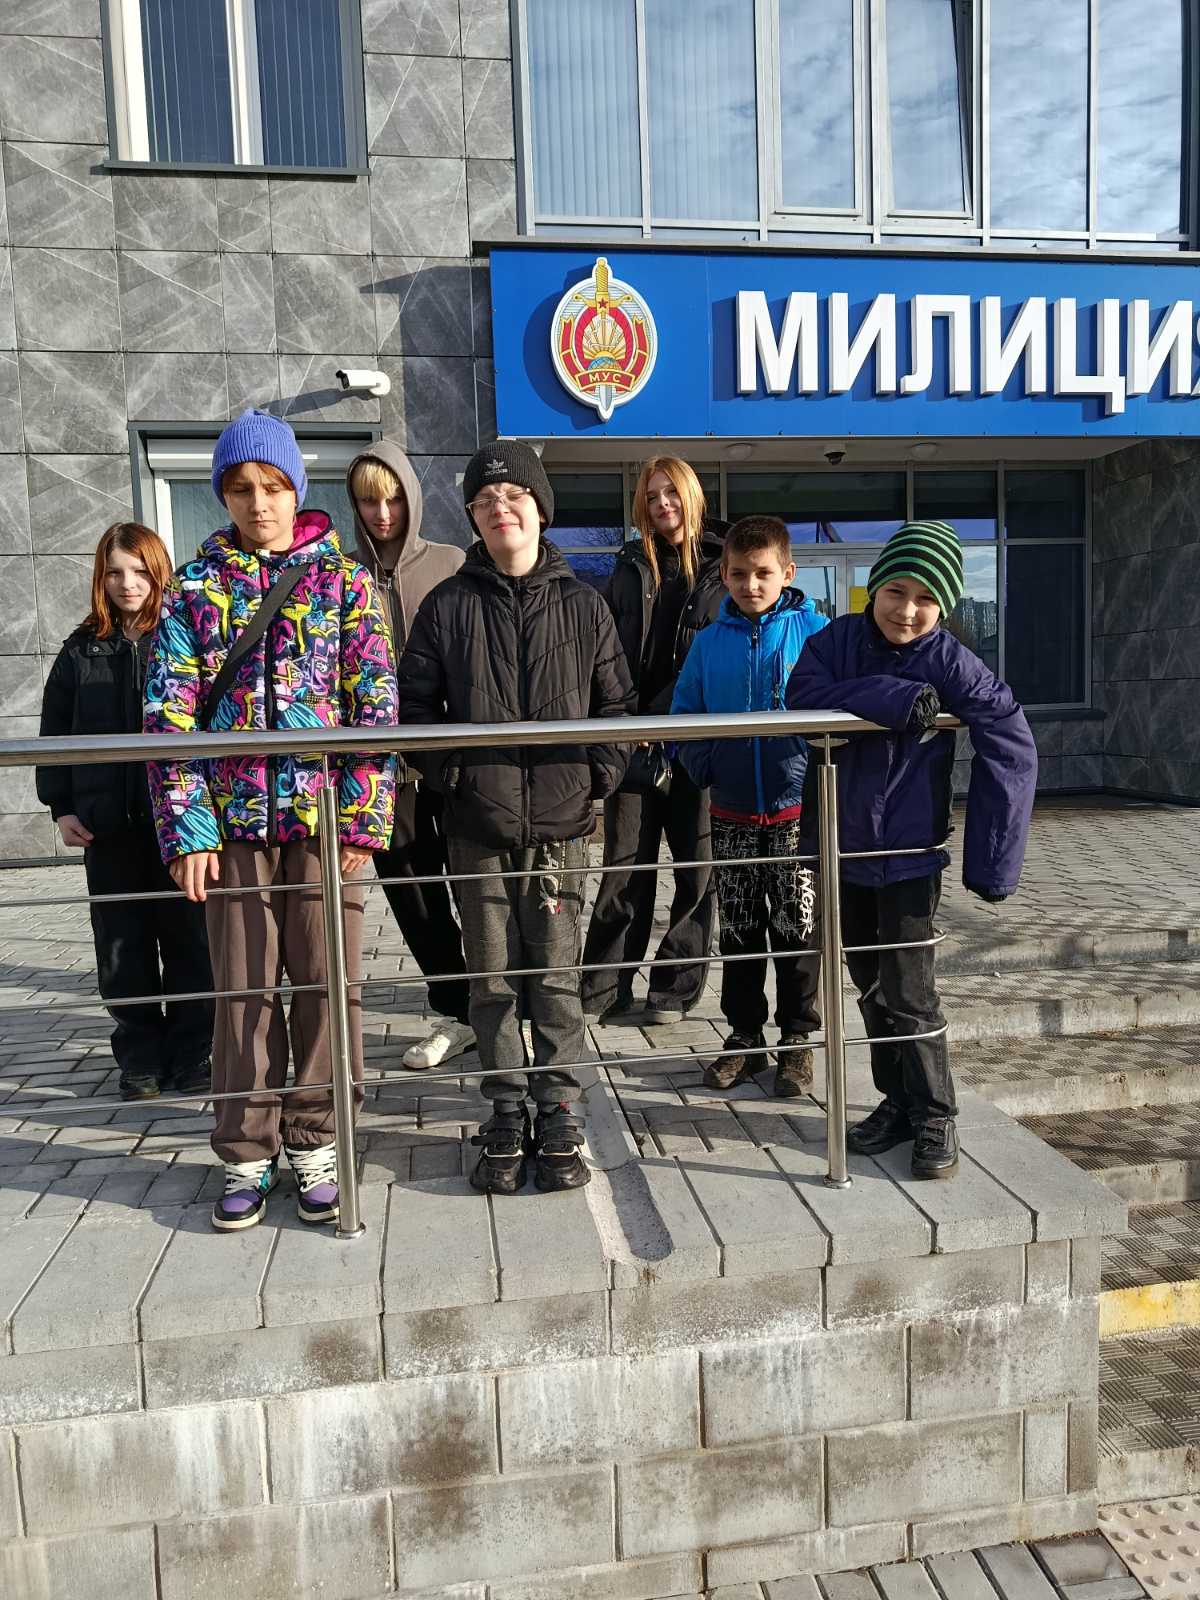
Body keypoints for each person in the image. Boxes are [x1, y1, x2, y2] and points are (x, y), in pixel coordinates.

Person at [144, 410, 397, 1231]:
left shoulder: (345, 582)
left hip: (322, 822)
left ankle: (318, 1138)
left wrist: (361, 818)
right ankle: (248, 1149)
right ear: (223, 495)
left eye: (274, 486)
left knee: (327, 986)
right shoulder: (192, 588)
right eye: (242, 487)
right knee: (244, 993)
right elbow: (168, 716)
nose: (259, 503)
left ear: (297, 490)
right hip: (233, 827)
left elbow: (375, 706)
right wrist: (189, 827)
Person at [396, 441, 632, 1196]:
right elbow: (414, 709)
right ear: (472, 516)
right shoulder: (447, 605)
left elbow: (618, 709)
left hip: (562, 831)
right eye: (486, 500)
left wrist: (594, 779)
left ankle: (559, 1108)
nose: (501, 508)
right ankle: (504, 1109)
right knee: (492, 981)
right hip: (478, 828)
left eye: (515, 496)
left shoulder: (585, 605)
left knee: (557, 979)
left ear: (540, 508)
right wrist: (454, 779)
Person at [785, 519, 1037, 1179]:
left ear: (944, 606)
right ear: (874, 588)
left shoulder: (949, 660)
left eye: (926, 598)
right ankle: (896, 1102)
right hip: (843, 851)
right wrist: (891, 698)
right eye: (896, 591)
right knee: (870, 986)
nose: (906, 609)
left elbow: (1010, 736)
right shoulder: (837, 640)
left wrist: (992, 860)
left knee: (910, 990)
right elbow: (800, 695)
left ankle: (935, 1115)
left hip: (909, 859)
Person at [36, 523, 214, 1102]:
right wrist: (61, 805)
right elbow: (53, 733)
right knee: (121, 949)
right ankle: (139, 1058)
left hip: (179, 825)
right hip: (108, 828)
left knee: (190, 943)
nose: (127, 583)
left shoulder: (184, 637)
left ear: (159, 572)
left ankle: (194, 1053)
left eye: (139, 570)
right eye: (114, 572)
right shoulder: (81, 649)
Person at [671, 515, 828, 1097]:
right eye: (739, 574)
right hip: (732, 810)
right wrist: (706, 764)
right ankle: (744, 1035)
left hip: (796, 814)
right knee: (739, 930)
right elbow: (683, 715)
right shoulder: (709, 642)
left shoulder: (817, 633)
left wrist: (813, 769)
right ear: (724, 575)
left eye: (763, 573)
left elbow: (840, 706)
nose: (751, 584)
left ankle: (796, 1039)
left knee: (796, 929)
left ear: (787, 572)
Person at [581, 456, 725, 1026]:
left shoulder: (723, 565)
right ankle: (603, 988)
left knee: (696, 869)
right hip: (634, 740)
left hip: (694, 742)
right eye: (651, 495)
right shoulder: (629, 564)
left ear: (692, 495)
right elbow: (608, 652)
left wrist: (659, 716)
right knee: (624, 868)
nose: (662, 503)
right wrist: (624, 722)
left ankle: (673, 990)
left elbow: (713, 659)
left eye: (671, 492)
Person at [347, 441, 475, 1071]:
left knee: (476, 885)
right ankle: (456, 1009)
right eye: (368, 501)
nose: (382, 513)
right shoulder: (341, 574)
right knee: (413, 894)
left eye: (393, 498)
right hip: (382, 771)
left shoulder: (452, 564)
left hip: (450, 761)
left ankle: (502, 1002)